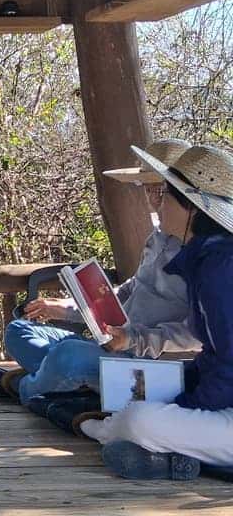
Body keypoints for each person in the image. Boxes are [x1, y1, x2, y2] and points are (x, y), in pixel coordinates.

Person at [0, 139, 201, 429]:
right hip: (110, 342)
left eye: (160, 189)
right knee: (19, 331)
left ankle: (21, 388)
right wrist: (66, 309)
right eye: (147, 187)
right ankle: (73, 384)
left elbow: (199, 334)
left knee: (67, 356)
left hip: (149, 361)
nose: (153, 198)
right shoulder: (157, 238)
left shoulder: (206, 257)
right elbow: (128, 291)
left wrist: (134, 339)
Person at [80, 144, 233, 482]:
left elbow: (230, 363)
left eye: (167, 195)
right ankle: (174, 456)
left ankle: (121, 433)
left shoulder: (220, 268)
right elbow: (214, 357)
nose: (159, 203)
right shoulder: (206, 259)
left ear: (192, 208)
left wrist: (184, 407)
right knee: (144, 405)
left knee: (140, 420)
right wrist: (181, 391)